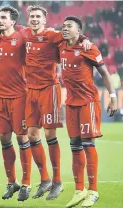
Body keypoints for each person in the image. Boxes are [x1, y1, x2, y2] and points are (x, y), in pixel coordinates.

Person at [20, 5, 92, 200]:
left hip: (49, 89)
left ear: (45, 20)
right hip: (30, 90)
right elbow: (8, 31)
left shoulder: (53, 35)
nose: (34, 19)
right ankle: (45, 179)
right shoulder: (24, 33)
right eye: (32, 16)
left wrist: (85, 40)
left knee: (50, 134)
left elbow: (74, 35)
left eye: (38, 16)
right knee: (32, 135)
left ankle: (58, 181)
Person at [59, 16, 117, 208]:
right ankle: (79, 190)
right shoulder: (60, 45)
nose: (65, 29)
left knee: (87, 144)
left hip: (88, 102)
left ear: (79, 30)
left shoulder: (88, 48)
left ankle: (93, 191)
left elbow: (105, 74)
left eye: (69, 26)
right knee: (74, 144)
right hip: (71, 103)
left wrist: (113, 97)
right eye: (64, 26)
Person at [0, 5, 32, 201]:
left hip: (19, 96)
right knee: (4, 139)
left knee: (22, 139)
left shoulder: (21, 37)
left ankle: (26, 183)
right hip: (0, 97)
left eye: (4, 17)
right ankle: (11, 181)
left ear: (13, 21)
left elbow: (30, 33)